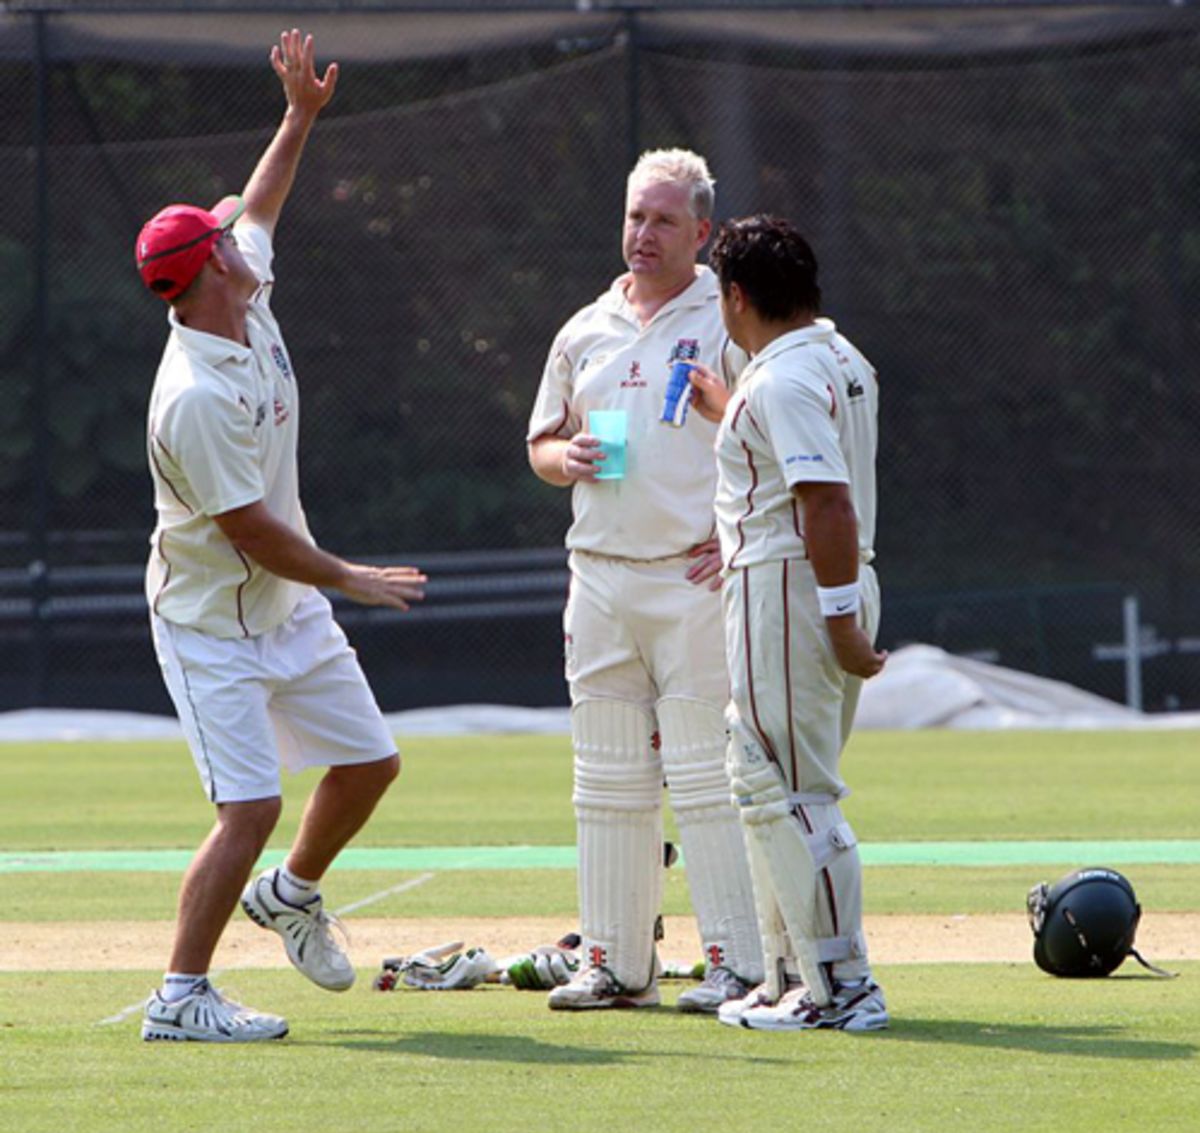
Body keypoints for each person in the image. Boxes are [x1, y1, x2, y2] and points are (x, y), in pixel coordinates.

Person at [135, 30, 426, 1043]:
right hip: (212, 619)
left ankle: (293, 894)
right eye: (219, 234)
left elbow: (258, 201)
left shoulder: (237, 283)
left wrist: (299, 115)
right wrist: (351, 575)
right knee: (248, 807)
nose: (235, 230)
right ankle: (180, 997)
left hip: (285, 605)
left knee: (370, 764)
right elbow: (254, 532)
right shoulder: (194, 398)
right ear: (205, 268)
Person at [526, 149, 763, 1012]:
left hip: (693, 579)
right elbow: (542, 444)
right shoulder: (584, 326)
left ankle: (737, 959)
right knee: (607, 777)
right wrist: (567, 458)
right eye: (635, 216)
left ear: (701, 232)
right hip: (599, 577)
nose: (643, 234)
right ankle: (618, 962)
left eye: (663, 220)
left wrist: (733, 538)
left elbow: (771, 435)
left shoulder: (729, 319)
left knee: (706, 773)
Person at [686, 215, 888, 1031]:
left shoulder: (783, 379)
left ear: (737, 297)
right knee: (762, 782)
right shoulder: (838, 359)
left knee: (800, 791)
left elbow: (825, 500)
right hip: (808, 583)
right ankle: (793, 974)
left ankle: (844, 989)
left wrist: (837, 619)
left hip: (791, 589)